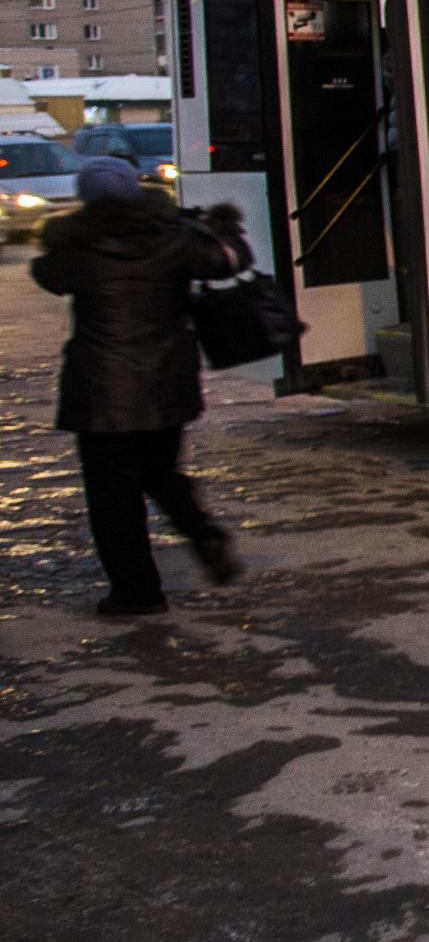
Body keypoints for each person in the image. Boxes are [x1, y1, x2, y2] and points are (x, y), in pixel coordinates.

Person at [30, 156, 253, 617]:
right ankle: (203, 534)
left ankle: (137, 592)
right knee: (161, 472)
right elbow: (233, 260)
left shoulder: (77, 248)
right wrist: (219, 225)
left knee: (112, 495)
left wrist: (64, 233)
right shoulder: (173, 239)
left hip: (99, 390)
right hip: (165, 382)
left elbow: (45, 274)